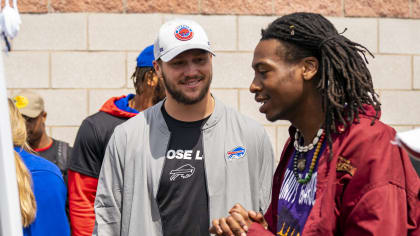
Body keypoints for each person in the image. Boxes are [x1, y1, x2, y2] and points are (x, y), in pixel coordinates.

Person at [210, 12, 420, 236]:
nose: (253, 86)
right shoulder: (298, 144)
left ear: (308, 68)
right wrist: (260, 227)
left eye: (264, 72)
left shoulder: (371, 145)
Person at [93, 19, 274, 236]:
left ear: (211, 60)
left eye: (200, 60)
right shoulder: (127, 137)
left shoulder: (250, 135)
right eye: (178, 63)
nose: (191, 72)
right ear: (158, 69)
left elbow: (271, 218)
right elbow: (107, 219)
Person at [68, 44, 166, 236]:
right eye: (171, 69)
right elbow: (83, 200)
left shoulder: (179, 124)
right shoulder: (98, 127)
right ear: (151, 77)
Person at [9, 98, 70, 236]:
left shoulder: (53, 166)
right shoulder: (47, 172)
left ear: (43, 116)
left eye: (29, 118)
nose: (26, 123)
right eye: (22, 118)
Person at [13, 89, 72, 185]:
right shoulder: (10, 154)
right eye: (18, 120)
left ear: (43, 116)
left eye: (28, 119)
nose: (23, 125)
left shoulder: (66, 155)